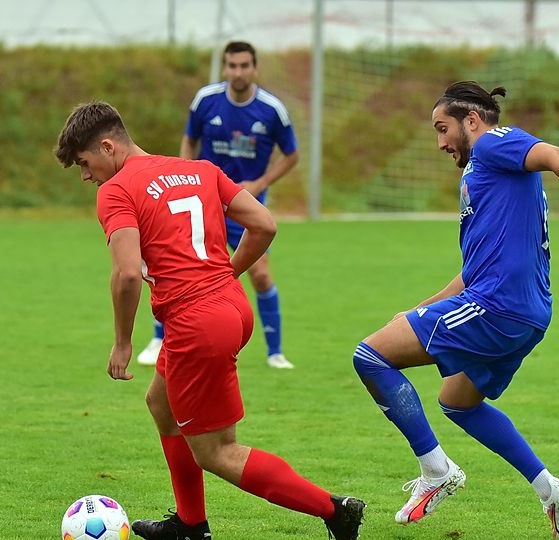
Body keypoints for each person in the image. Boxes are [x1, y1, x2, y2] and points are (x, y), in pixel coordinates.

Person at [351, 81, 559, 536]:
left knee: (370, 357)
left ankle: (436, 470)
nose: (440, 143)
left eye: (443, 128)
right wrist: (419, 308)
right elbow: (474, 269)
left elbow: (556, 155)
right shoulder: (487, 173)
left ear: (471, 121)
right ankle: (551, 491)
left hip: (495, 307)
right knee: (458, 403)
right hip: (525, 313)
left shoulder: (493, 145)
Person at [55, 101, 364, 539]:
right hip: (231, 307)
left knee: (217, 451)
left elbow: (126, 274)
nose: (85, 176)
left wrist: (123, 342)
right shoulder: (199, 169)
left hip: (196, 323)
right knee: (161, 403)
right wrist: (226, 276)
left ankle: (334, 510)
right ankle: (189, 524)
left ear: (107, 146)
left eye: (84, 164)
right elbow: (264, 224)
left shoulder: (117, 190)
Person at [137, 40, 299, 370]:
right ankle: (159, 338)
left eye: (244, 66)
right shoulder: (206, 100)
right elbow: (189, 139)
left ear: (255, 68)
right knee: (177, 269)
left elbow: (291, 155)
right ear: (224, 68)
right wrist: (183, 176)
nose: (238, 72)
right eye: (232, 65)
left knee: (261, 275)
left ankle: (275, 352)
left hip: (245, 205)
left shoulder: (271, 110)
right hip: (202, 201)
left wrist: (260, 184)